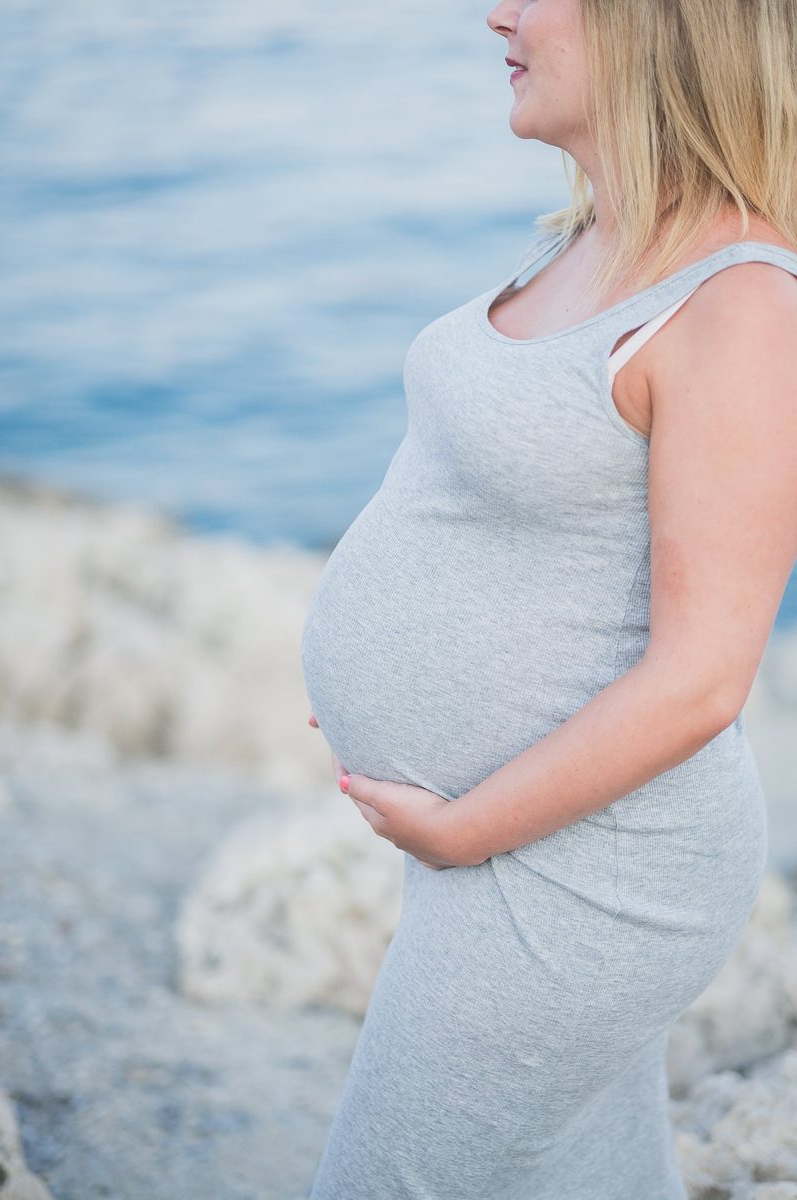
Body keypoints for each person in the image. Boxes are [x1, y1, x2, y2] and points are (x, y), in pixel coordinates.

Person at [299, 0, 797, 1195]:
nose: (498, 14)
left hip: (588, 871)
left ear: (660, 25)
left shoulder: (741, 306)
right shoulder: (592, 237)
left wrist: (460, 828)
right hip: (515, 840)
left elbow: (702, 679)